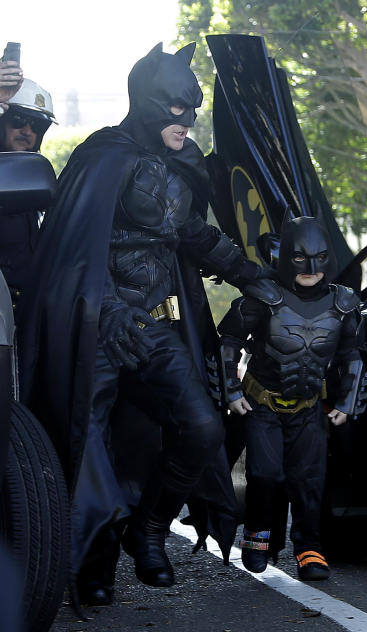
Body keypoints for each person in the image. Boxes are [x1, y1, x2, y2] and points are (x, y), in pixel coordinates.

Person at [17, 43, 260, 606]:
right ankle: (92, 564)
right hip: (94, 326)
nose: (187, 120)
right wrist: (107, 309)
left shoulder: (180, 163)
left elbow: (194, 235)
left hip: (153, 328)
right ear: (149, 103)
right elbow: (76, 249)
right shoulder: (102, 156)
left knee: (201, 425)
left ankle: (148, 527)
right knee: (86, 443)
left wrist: (255, 276)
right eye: (177, 108)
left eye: (193, 108)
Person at [218, 216, 363, 581]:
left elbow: (353, 357)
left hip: (310, 407)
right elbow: (227, 343)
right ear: (286, 257)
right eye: (300, 258)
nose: (311, 268)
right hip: (262, 404)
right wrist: (232, 391)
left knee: (308, 479)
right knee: (265, 475)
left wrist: (347, 402)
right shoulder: (263, 297)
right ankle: (258, 537)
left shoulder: (343, 302)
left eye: (318, 257)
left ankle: (308, 549)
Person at [0, 78, 57, 307]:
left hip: (28, 310)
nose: (27, 131)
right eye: (18, 120)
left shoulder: (39, 178)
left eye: (38, 125)